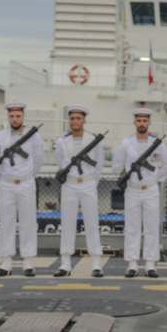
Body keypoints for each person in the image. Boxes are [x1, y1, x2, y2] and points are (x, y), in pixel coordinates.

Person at [112, 106, 167, 278]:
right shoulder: (127, 143)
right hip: (133, 190)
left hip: (150, 190)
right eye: (139, 120)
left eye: (144, 121)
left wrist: (153, 178)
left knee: (151, 227)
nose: (141, 123)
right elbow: (116, 166)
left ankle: (150, 264)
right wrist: (128, 177)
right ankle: (132, 264)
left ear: (149, 123)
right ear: (134, 122)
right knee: (132, 227)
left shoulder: (157, 144)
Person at [0, 101, 44, 277]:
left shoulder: (33, 137)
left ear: (23, 116)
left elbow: (38, 160)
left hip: (26, 183)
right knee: (7, 222)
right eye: (12, 116)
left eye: (18, 116)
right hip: (7, 184)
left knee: (28, 222)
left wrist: (27, 177)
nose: (15, 119)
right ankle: (6, 262)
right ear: (8, 117)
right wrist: (4, 179)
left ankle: (28, 262)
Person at [54, 104, 105, 278]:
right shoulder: (62, 141)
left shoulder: (93, 140)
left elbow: (99, 164)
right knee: (67, 223)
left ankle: (96, 263)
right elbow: (60, 162)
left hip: (88, 183)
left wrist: (91, 182)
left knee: (92, 223)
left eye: (78, 118)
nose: (75, 121)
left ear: (84, 120)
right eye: (72, 118)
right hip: (70, 184)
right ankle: (65, 263)